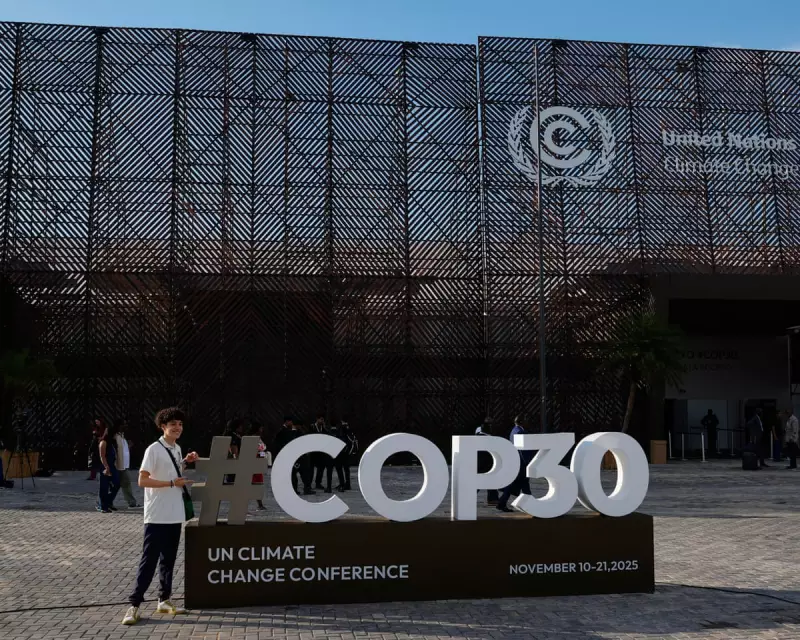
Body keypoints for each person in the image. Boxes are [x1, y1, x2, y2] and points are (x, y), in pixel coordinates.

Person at [121, 407, 198, 626]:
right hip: (157, 515)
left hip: (174, 513)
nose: (177, 428)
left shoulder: (176, 448)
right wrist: (171, 483)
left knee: (168, 560)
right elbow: (142, 480)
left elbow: (172, 470)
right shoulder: (153, 449)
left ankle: (164, 600)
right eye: (173, 424)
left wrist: (185, 462)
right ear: (162, 426)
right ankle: (134, 605)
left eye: (180, 424)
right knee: (149, 561)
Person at [497, 415, 533, 512]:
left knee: (521, 484)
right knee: (521, 484)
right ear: (521, 422)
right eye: (526, 420)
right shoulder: (520, 432)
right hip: (521, 463)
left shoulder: (514, 430)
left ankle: (502, 503)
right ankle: (530, 505)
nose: (527, 422)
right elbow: (522, 450)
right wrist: (527, 462)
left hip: (518, 462)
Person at [114, 419, 138, 508]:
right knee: (119, 484)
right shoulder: (115, 436)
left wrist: (129, 446)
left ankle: (131, 502)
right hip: (118, 465)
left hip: (124, 465)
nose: (125, 426)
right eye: (123, 425)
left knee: (124, 483)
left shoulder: (122, 436)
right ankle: (104, 501)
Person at [97, 422, 120, 513]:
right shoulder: (103, 443)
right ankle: (102, 506)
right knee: (104, 487)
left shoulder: (112, 444)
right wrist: (106, 467)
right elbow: (102, 456)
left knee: (117, 484)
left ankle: (109, 501)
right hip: (105, 466)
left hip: (112, 466)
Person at [476, 417, 498, 505]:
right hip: (485, 462)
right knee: (482, 481)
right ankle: (492, 499)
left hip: (480, 462)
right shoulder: (487, 437)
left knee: (488, 480)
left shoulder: (478, 434)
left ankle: (493, 498)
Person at [334, 419, 358, 491]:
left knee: (339, 468)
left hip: (343, 452)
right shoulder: (348, 428)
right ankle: (347, 484)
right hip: (346, 452)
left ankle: (343, 484)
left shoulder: (344, 428)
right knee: (346, 469)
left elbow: (348, 440)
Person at [312, 415, 333, 492]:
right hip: (313, 451)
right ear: (317, 419)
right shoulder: (312, 427)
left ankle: (318, 483)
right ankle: (308, 484)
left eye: (323, 420)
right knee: (311, 469)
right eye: (320, 419)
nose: (322, 421)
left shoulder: (323, 428)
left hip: (321, 452)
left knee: (321, 468)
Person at [250, 422, 267, 510]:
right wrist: (262, 454)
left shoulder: (259, 438)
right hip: (254, 463)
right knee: (256, 483)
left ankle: (260, 503)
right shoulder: (253, 439)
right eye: (260, 428)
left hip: (259, 462)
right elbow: (256, 451)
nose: (262, 430)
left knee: (258, 483)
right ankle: (259, 503)